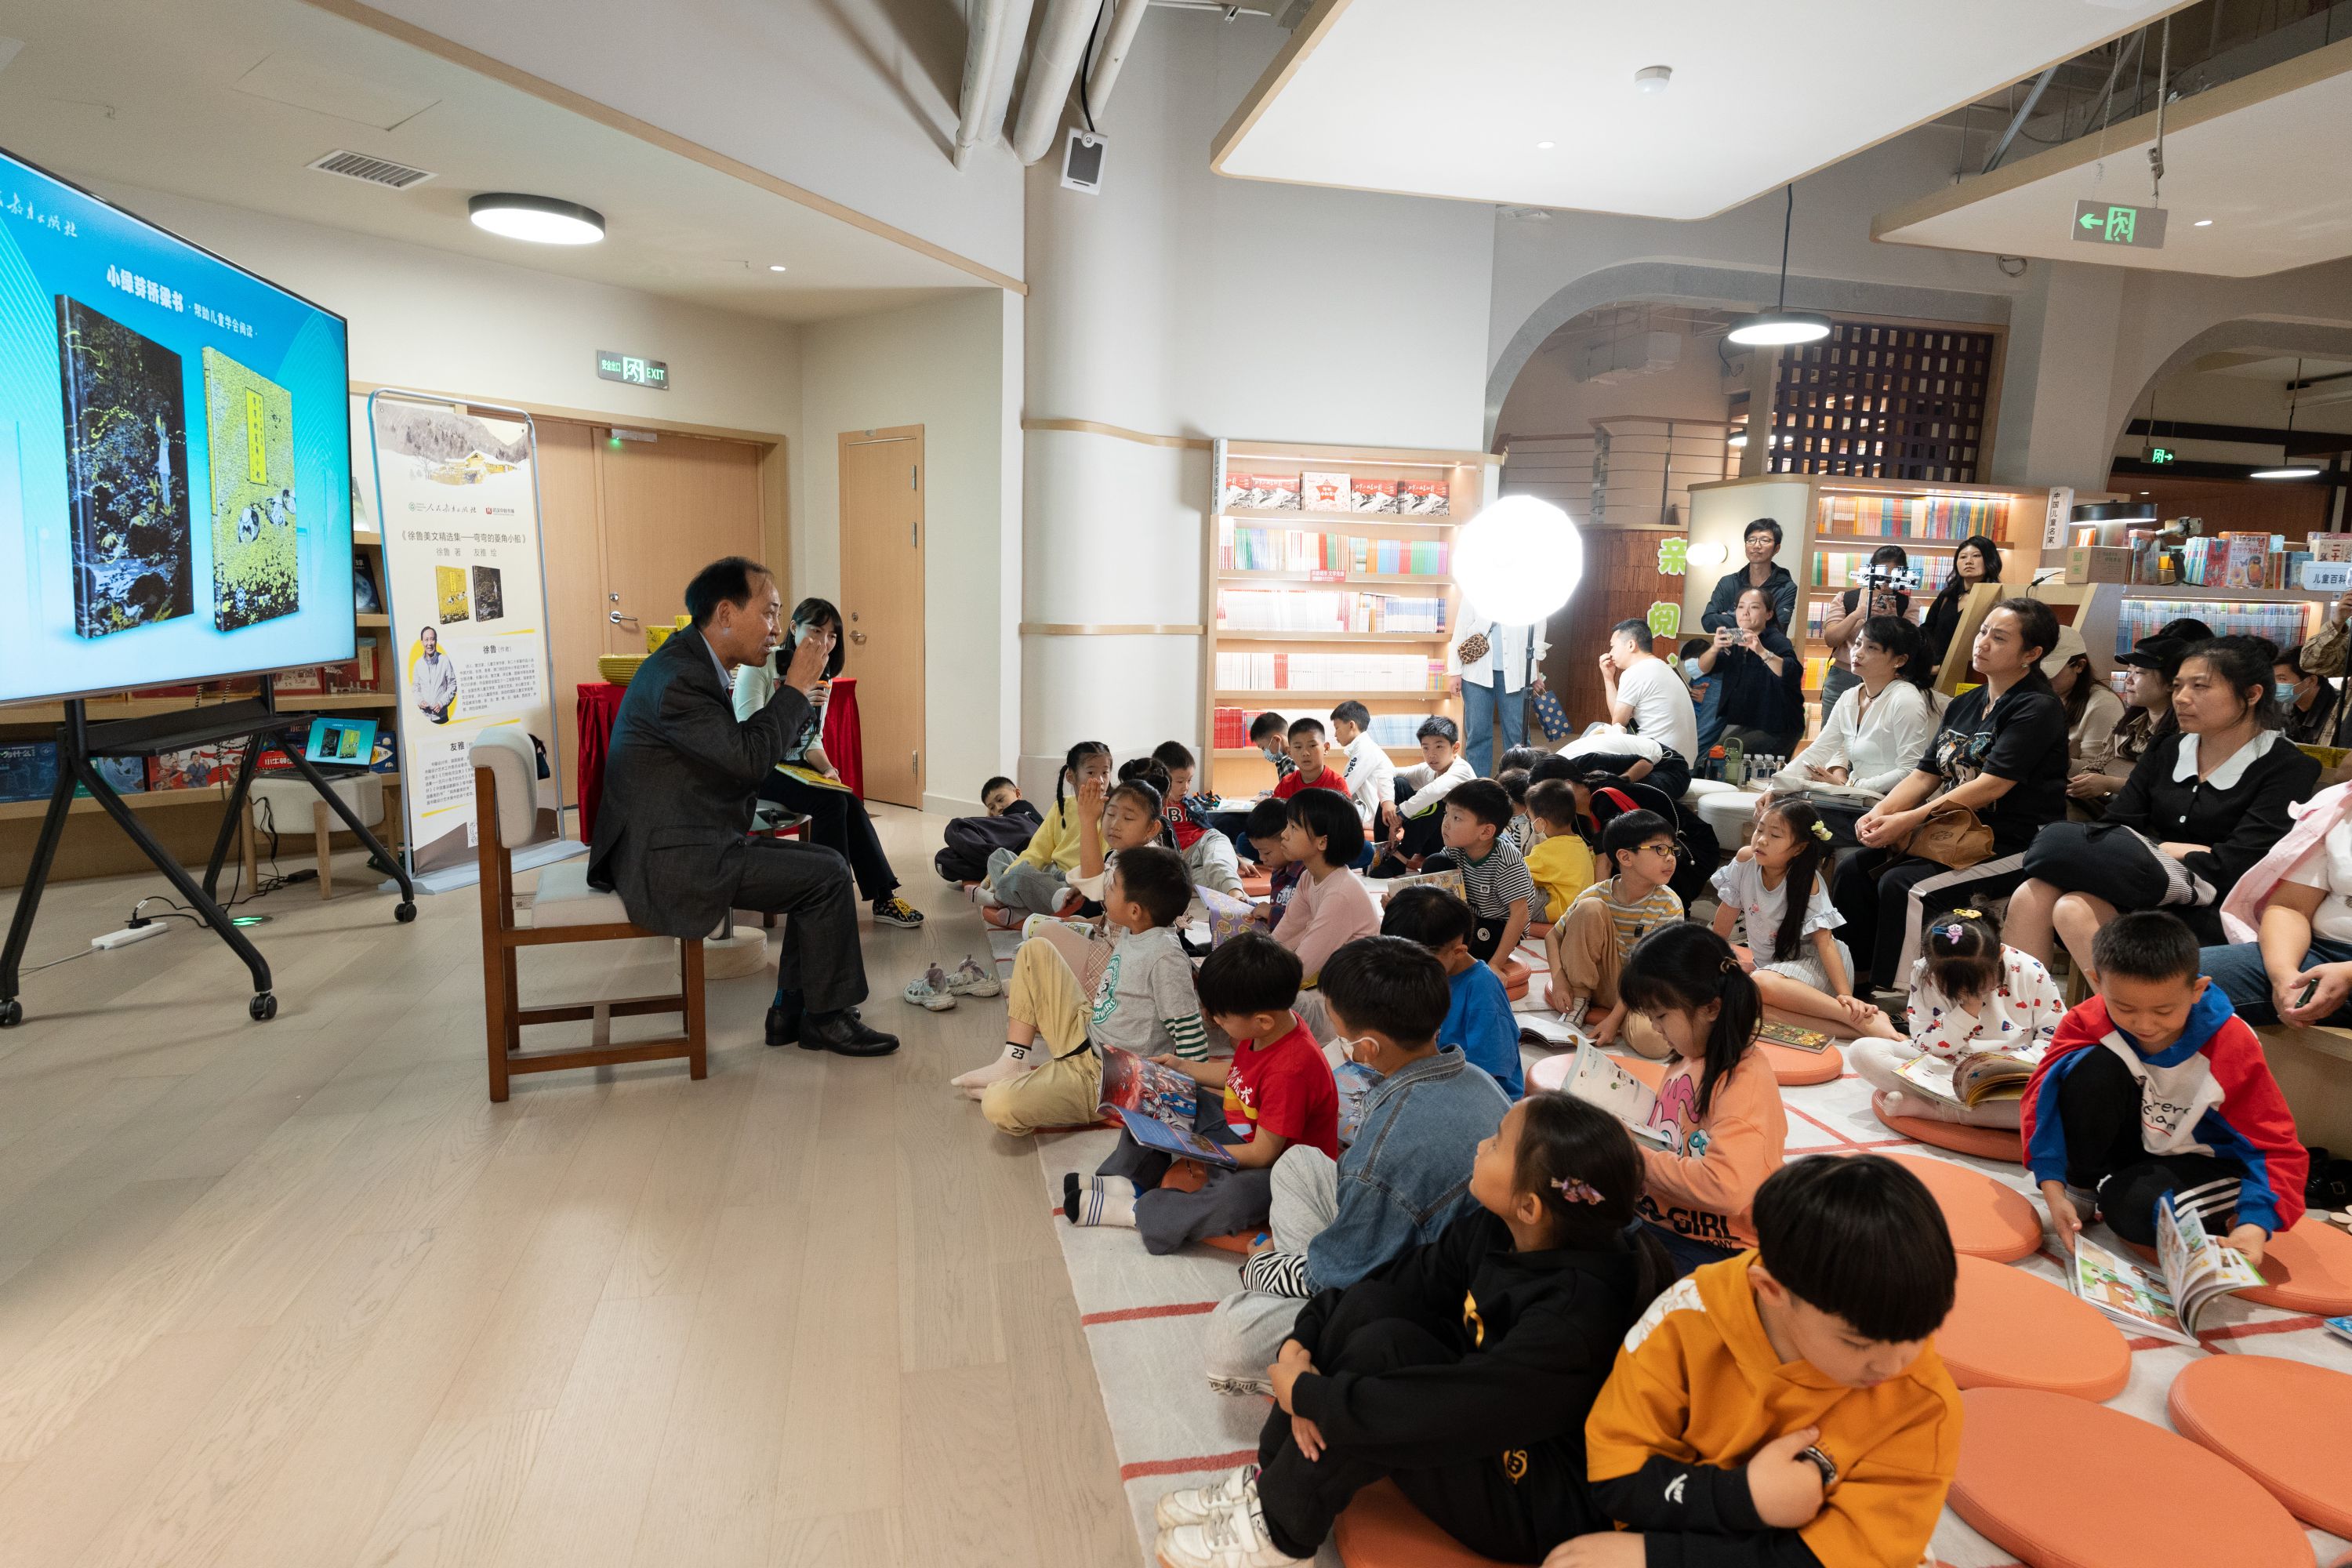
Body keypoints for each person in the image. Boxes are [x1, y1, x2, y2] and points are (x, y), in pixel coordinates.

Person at [1157, 1095, 1665, 1568]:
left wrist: (1316, 1397)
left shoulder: (1574, 1319)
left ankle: (1279, 1533)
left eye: (1495, 1143)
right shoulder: (1498, 1225)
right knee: (1372, 1314)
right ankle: (1271, 1483)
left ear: (1530, 1206)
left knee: (1380, 1367)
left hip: (1535, 1495)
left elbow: (1458, 1411)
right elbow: (1388, 1284)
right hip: (1478, 1406)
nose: (1479, 1145)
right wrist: (1301, 1343)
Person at [1576, 1156, 1962, 1568]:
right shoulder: (1687, 1315)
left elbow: (1853, 1555)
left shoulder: (1923, 1400)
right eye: (1857, 1343)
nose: (1893, 1365)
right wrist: (1743, 1496)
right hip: (1689, 1523)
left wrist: (1663, 1557)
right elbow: (1617, 1478)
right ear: (1771, 1290)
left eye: (1919, 1334)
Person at [586, 556, 894, 1058]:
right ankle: (822, 1017)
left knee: (824, 868)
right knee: (827, 874)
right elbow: (748, 760)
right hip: (669, 859)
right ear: (726, 614)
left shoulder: (689, 662)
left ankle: (793, 1009)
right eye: (770, 612)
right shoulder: (682, 677)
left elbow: (731, 758)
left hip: (683, 838)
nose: (777, 628)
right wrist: (794, 689)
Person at [1200, 935, 1511, 1397]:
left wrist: (1263, 1267)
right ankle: (1299, 1285)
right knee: (1298, 1163)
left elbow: (1342, 1271)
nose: (1337, 1042)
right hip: (1408, 1237)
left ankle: (1316, 1345)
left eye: (1340, 1034)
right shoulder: (1477, 1078)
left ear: (1367, 1049)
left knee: (1229, 1336)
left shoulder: (1386, 1154)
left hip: (1413, 1295)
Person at [2006, 636, 2318, 980]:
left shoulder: (2287, 767)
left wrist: (2149, 849)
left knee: (2063, 877)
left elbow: (2239, 866)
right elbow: (2116, 826)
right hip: (2144, 886)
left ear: (2252, 694)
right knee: (2039, 892)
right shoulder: (2167, 748)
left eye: (2200, 686)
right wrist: (2175, 850)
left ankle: (2138, 1013)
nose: (2181, 698)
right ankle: (2025, 1011)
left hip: (2217, 907)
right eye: (2178, 686)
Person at [2024, 911, 2307, 1264]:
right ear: (2098, 981)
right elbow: (2043, 1099)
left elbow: (2275, 1146)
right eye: (2124, 1007)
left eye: (2163, 1011)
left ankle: (2232, 1204)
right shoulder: (2086, 1020)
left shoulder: (2231, 1044)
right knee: (2089, 1068)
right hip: (2145, 1144)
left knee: (2128, 1208)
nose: (2145, 1024)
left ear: (2197, 990)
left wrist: (2255, 1223)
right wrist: (2054, 1188)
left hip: (2209, 1160)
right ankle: (2081, 1189)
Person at [1835, 597, 2068, 993]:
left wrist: (1909, 819)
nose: (1983, 642)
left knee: (1909, 885)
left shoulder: (2037, 707)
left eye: (1999, 638)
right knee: (1854, 869)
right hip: (1951, 835)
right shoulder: (1965, 703)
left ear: (2031, 654)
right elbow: (1925, 774)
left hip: (2013, 843)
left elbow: (1992, 784)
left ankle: (1900, 995)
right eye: (1983, 631)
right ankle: (1853, 980)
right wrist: (1882, 813)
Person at [1069, 931, 1339, 1262]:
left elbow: (1263, 1154)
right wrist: (1181, 1068)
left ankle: (1141, 1213)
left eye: (1222, 1018)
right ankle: (1126, 1179)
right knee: (1158, 1094)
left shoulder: (1292, 1070)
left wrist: (1196, 1149)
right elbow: (1241, 1078)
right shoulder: (1272, 1027)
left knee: (1236, 1198)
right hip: (1242, 1128)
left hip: (1278, 1163)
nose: (1215, 1022)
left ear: (1262, 1021)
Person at [973, 844, 1206, 1125]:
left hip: (1107, 1077)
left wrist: (1189, 1100)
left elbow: (1189, 1032)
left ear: (1134, 910)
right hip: (1087, 1032)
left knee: (997, 1104)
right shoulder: (1135, 928)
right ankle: (1014, 1061)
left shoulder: (1167, 957)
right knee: (1036, 950)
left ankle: (1099, 1103)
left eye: (1112, 886)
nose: (1106, 890)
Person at [733, 597, 924, 930]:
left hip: (794, 766)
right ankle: (827, 899)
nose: (824, 642)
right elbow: (748, 732)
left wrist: (827, 769)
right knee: (832, 803)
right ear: (794, 628)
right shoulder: (761, 666)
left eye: (832, 635)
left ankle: (882, 897)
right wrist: (794, 700)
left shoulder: (825, 673)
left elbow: (813, 740)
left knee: (847, 798)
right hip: (758, 766)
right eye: (816, 631)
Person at [1617, 922, 1788, 1278]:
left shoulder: (1744, 1081)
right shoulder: (1688, 1058)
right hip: (1659, 1219)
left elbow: (1727, 1188)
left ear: (1711, 1008)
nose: (1655, 1027)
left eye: (1661, 1016)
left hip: (1719, 1245)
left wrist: (1633, 1155)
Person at [1849, 905, 2061, 1129]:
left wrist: (2013, 1066)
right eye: (1953, 986)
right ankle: (1971, 1110)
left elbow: (2055, 1038)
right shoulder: (1924, 972)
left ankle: (1943, 1111)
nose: (1965, 991)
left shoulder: (2030, 970)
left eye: (1977, 983)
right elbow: (1925, 1044)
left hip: (2010, 1072)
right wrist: (1967, 1011)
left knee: (2056, 1103)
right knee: (1863, 1051)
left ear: (1999, 955)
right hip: (1946, 1066)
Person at [1711, 799, 1897, 1042]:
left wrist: (1846, 995)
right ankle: (1863, 1027)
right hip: (1775, 971)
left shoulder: (1806, 880)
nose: (1762, 840)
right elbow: (1727, 911)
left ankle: (1854, 1015)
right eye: (1760, 829)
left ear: (1799, 848)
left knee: (1759, 983)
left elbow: (1825, 942)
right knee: (1743, 1002)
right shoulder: (1746, 860)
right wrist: (1714, 958)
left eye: (1775, 835)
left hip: (1817, 965)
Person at [1765, 615, 1937, 837]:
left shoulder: (1905, 699)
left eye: (1872, 648)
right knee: (1783, 812)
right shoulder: (1849, 696)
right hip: (1856, 801)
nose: (1858, 653)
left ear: (1899, 660)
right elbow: (1820, 749)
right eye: (1858, 643)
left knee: (1794, 826)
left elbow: (1910, 770)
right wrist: (1775, 786)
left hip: (1891, 807)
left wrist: (1850, 788)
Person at [2203, 775, 2352, 1026]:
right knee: (2167, 982)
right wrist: (2284, 977)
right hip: (2321, 952)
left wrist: (2348, 974)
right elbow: (2291, 907)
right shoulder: (2340, 803)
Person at [1547, 810, 1681, 1058]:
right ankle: (1580, 999)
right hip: (1600, 981)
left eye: (1673, 850)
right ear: (1625, 857)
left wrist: (1614, 1020)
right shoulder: (1597, 893)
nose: (1670, 858)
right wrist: (1559, 980)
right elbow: (1552, 937)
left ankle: (1624, 1017)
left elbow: (1649, 972)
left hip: (1640, 987)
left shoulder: (1669, 905)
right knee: (1589, 908)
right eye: (1660, 849)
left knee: (1654, 1043)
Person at [1382, 887, 1523, 1095]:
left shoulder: (1484, 990)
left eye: (1416, 963)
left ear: (1458, 952)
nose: (1406, 970)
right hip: (1435, 1077)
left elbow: (1485, 1073)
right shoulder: (1428, 974)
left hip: (1484, 1095)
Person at [981, 740, 1112, 916]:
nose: (1101, 780)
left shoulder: (1112, 811)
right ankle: (1011, 895)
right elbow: (1037, 851)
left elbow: (1103, 868)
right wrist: (1009, 875)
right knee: (998, 857)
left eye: (1105, 772)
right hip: (1051, 873)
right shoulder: (1062, 806)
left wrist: (1012, 876)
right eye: (1091, 772)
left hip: (1073, 886)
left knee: (1021, 876)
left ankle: (1003, 898)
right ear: (1071, 777)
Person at [1271, 787, 1382, 985]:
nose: (1284, 835)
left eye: (1294, 827)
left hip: (1356, 992)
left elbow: (1301, 968)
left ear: (1322, 842)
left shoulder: (1340, 893)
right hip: (1334, 978)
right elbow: (1285, 935)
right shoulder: (1308, 877)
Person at [2068, 633, 2187, 813]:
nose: (2128, 680)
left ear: (2172, 683)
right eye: (2129, 671)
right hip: (2108, 807)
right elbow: (2097, 766)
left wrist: (2109, 784)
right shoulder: (2129, 724)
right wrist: (2085, 781)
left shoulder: (2185, 732)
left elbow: (2168, 788)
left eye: (2139, 673)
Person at [1425, 779, 1532, 974]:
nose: (1446, 824)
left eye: (1457, 818)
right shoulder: (1455, 848)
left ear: (1486, 831)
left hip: (1496, 924)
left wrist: (1496, 964)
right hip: (1466, 917)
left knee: (1468, 950)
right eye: (1446, 813)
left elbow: (1520, 914)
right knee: (1435, 863)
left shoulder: (1506, 860)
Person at [1587, 619, 1698, 800]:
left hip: (1661, 765)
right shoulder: (1664, 668)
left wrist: (1608, 679)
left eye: (1613, 646)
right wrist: (1609, 677)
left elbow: (1618, 722)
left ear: (1631, 645)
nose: (1610, 653)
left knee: (1595, 732)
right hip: (1683, 766)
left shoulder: (1636, 672)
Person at [1694, 585, 1803, 756]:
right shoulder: (1735, 639)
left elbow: (1792, 672)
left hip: (1781, 726)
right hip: (1752, 722)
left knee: (1724, 758)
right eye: (1740, 607)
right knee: (1711, 758)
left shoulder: (1777, 640)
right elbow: (1702, 667)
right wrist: (1715, 647)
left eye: (1754, 607)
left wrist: (1761, 651)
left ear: (1769, 614)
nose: (1745, 612)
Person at [1449, 598, 1551, 777]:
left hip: (1516, 672)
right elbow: (1461, 628)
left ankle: (1519, 784)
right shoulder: (1475, 588)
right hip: (1475, 672)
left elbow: (1537, 633)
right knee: (1477, 735)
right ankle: (1478, 786)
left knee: (1518, 736)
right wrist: (1455, 671)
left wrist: (1534, 670)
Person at [1817, 543, 1911, 718]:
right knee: (1833, 731)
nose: (1885, 585)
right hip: (1843, 675)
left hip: (1886, 679)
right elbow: (1831, 639)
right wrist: (1858, 614)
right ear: (1870, 572)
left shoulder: (1907, 604)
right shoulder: (1847, 598)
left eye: (1891, 579)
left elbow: (1909, 646)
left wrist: (1893, 619)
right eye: (1880, 577)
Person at [1377, 716, 1474, 872]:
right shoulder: (1427, 769)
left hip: (1453, 840)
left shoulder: (1462, 770)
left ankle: (1400, 859)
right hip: (1429, 838)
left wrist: (1399, 815)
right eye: (1426, 748)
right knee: (1398, 784)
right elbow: (1387, 772)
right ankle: (1381, 852)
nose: (1431, 755)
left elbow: (1434, 791)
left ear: (1455, 748)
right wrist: (1387, 803)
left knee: (1437, 801)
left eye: (1439, 747)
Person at [2042, 623, 2126, 796]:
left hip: (2074, 797)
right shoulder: (2040, 697)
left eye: (2051, 673)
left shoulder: (2102, 703)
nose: (2043, 679)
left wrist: (2060, 760)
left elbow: (2099, 771)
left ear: (2079, 666)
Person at [1152, 741, 1246, 897]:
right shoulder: (1151, 805)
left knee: (1219, 863)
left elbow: (1209, 831)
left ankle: (1237, 895)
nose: (1186, 787)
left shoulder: (1190, 804)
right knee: (1202, 883)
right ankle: (1240, 900)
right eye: (1180, 781)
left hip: (1206, 841)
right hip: (1181, 862)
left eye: (1189, 780)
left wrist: (1236, 859)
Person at [1918, 533, 2002, 678]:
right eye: (1963, 557)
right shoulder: (1947, 596)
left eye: (1976, 556)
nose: (1968, 561)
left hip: (1973, 673)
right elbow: (1927, 630)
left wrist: (1942, 667)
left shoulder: (1997, 597)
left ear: (1990, 560)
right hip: (1933, 672)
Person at [1697, 517, 1798, 637]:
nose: (1756, 546)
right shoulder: (1728, 582)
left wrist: (1730, 619)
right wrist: (1756, 622)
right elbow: (1708, 621)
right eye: (1751, 540)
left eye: (1764, 540)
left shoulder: (1786, 587)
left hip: (1764, 649)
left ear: (1777, 548)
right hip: (1727, 648)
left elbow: (1778, 630)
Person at [1525, 779, 1595, 924]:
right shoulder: (1579, 843)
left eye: (1531, 820)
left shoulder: (1546, 850)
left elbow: (1516, 872)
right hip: (1576, 909)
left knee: (1510, 888)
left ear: (1541, 823)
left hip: (1556, 911)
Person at [1328, 700, 1396, 832]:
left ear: (1351, 725)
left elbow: (1343, 790)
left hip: (1371, 816)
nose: (1335, 735)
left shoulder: (1364, 750)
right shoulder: (1365, 747)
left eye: (1337, 728)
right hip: (1369, 812)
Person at [1244, 797, 1305, 934]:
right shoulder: (1279, 870)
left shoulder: (1306, 875)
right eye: (1258, 851)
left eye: (1267, 852)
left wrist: (1271, 913)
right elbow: (1276, 906)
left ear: (1287, 837)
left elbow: (1303, 922)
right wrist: (1250, 907)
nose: (1261, 858)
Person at [2277, 642, 2343, 746]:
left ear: (2311, 681)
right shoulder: (2278, 704)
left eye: (2282, 679)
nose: (2274, 685)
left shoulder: (2341, 711)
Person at [1680, 637, 1726, 756]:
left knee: (1694, 747)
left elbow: (1718, 705)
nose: (1688, 667)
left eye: (1690, 663)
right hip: (1690, 718)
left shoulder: (1719, 679)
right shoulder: (1697, 677)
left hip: (1702, 720)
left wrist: (1706, 700)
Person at [410, 625, 456, 723]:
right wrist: (420, 701)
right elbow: (415, 688)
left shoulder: (444, 660)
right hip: (424, 718)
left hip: (441, 717)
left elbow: (453, 685)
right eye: (426, 640)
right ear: (422, 642)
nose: (429, 644)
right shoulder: (418, 664)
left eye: (432, 639)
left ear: (436, 641)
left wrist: (441, 703)